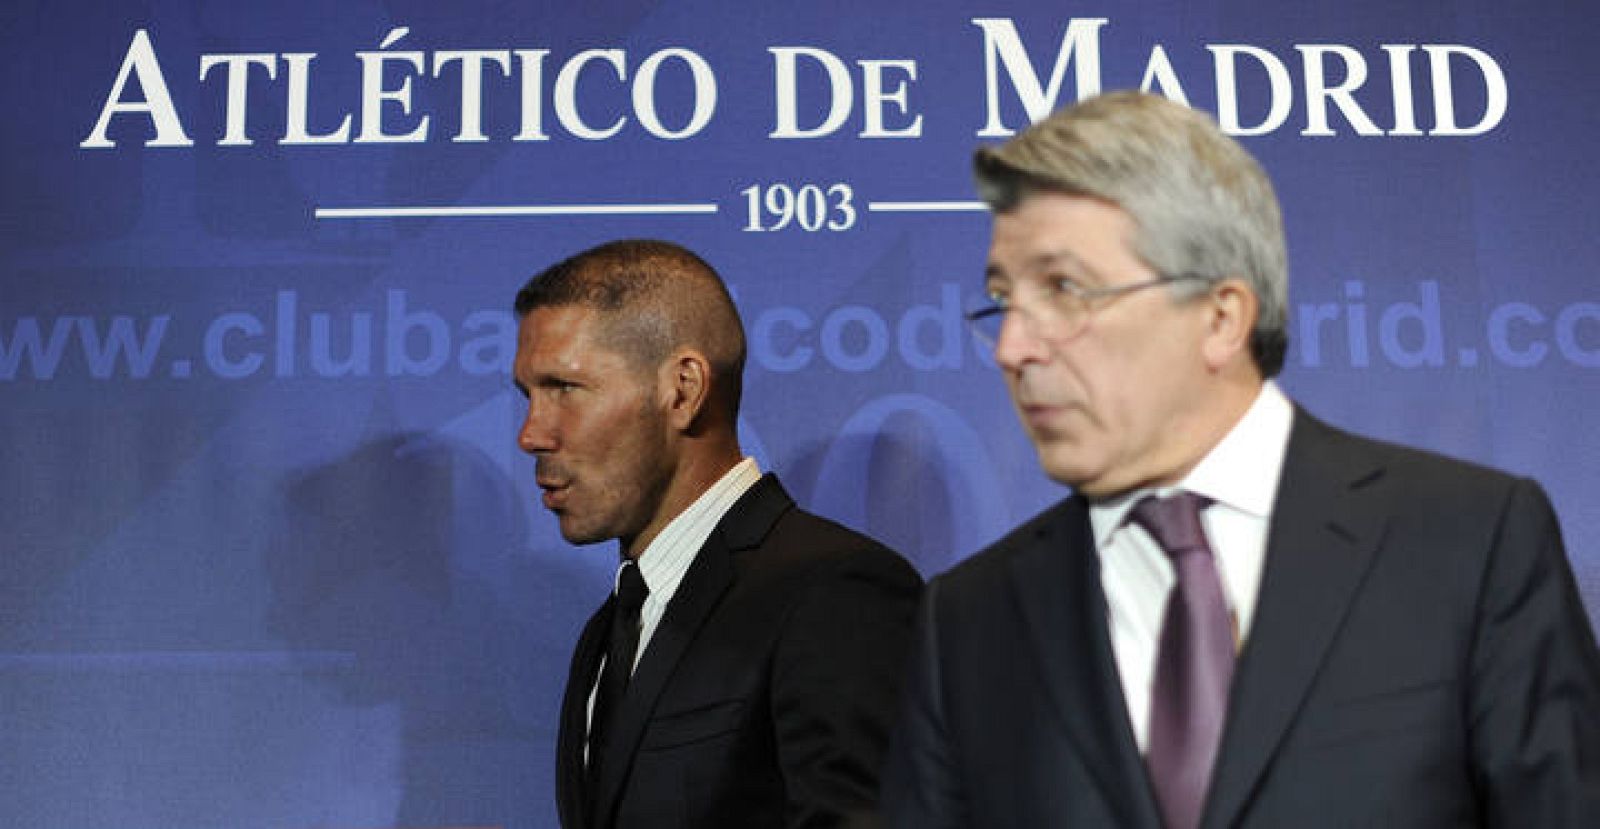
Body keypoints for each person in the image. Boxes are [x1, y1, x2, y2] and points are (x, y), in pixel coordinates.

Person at [881, 91, 1600, 828]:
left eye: (1064, 289)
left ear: (1221, 317)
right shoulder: (966, 622)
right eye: (1003, 300)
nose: (1012, 348)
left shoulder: (1469, 540)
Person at [513, 239, 922, 829]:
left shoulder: (834, 592)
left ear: (683, 390)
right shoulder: (607, 633)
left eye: (565, 389)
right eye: (528, 395)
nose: (531, 434)